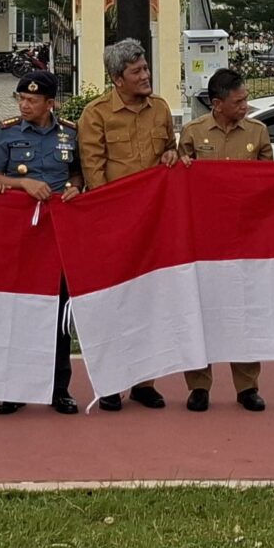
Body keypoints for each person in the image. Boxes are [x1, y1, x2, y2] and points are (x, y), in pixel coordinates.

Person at [74, 38, 180, 410]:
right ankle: (111, 382)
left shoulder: (161, 109)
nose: (145, 76)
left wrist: (172, 154)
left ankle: (144, 382)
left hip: (153, 224)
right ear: (118, 78)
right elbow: (94, 170)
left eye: (146, 68)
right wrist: (111, 219)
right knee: (114, 304)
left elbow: (172, 150)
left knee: (150, 301)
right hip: (115, 225)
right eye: (137, 71)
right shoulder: (96, 114)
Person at [174, 66, 272, 410]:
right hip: (203, 238)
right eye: (239, 101)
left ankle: (247, 386)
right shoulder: (192, 132)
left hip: (244, 236)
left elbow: (268, 184)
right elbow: (177, 180)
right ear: (217, 104)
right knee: (199, 309)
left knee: (243, 309)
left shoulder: (258, 132)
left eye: (245, 99)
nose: (245, 105)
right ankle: (199, 386)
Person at [0, 69, 80, 415]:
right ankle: (15, 387)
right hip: (20, 234)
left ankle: (59, 389)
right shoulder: (7, 131)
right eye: (21, 99)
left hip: (56, 236)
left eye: (31, 100)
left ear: (49, 103)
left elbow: (77, 174)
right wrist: (21, 184)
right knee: (19, 311)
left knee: (57, 314)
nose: (24, 105)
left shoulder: (69, 133)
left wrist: (75, 187)